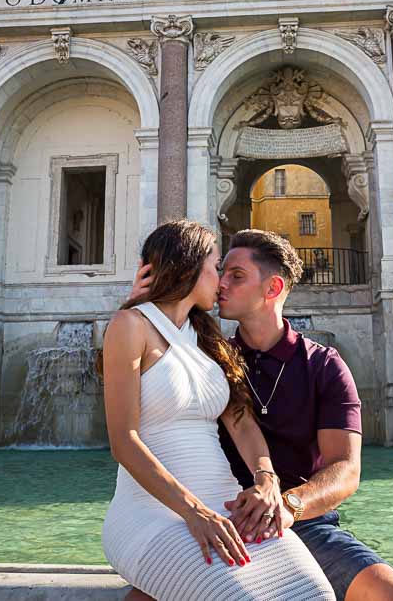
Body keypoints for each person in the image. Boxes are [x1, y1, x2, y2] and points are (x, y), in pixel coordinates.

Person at [127, 229, 393, 601]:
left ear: (272, 288)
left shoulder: (324, 366)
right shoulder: (204, 357)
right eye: (221, 272)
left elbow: (346, 470)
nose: (221, 283)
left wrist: (287, 506)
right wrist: (142, 308)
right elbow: (140, 395)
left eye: (236, 276)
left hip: (305, 524)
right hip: (220, 520)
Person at [100, 220, 335, 601]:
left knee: (315, 595)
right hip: (153, 515)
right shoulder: (130, 325)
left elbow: (242, 423)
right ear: (189, 267)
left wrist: (266, 479)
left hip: (226, 508)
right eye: (216, 267)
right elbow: (123, 442)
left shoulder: (208, 339)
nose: (221, 280)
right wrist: (195, 512)